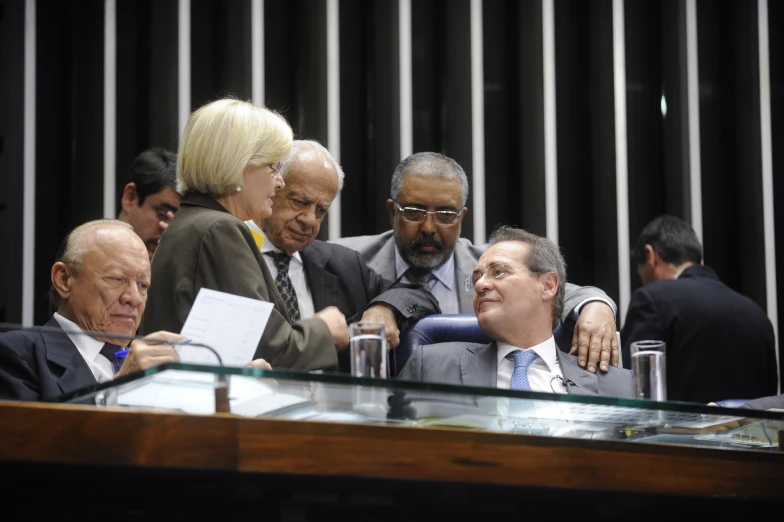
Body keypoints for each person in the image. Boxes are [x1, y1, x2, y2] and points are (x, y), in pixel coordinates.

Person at [334, 151, 620, 374]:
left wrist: (597, 306)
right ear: (391, 211)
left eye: (446, 214)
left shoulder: (489, 268)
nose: (429, 228)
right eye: (414, 211)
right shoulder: (350, 261)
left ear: (462, 217)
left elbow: (562, 291)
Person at [140, 98, 348, 371]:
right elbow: (267, 349)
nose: (280, 181)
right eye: (274, 167)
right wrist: (324, 329)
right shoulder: (219, 229)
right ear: (239, 167)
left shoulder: (192, 221)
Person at [245, 140, 440, 361]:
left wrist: (385, 307)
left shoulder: (342, 263)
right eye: (299, 202)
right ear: (272, 189)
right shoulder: (230, 252)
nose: (309, 220)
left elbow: (421, 295)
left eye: (321, 210)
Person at [397, 226, 634, 398]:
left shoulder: (617, 385)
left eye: (498, 272)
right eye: (477, 277)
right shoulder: (430, 366)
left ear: (548, 286)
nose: (480, 285)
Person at [0, 220, 185, 401]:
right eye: (116, 279)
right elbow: (31, 431)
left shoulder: (154, 363)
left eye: (143, 285)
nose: (134, 298)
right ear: (64, 280)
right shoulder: (16, 355)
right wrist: (119, 391)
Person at [621, 215, 777, 403]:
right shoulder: (757, 314)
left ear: (651, 256)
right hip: (752, 432)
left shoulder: (652, 299)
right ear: (699, 260)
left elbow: (626, 387)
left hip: (674, 432)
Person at [118, 147, 181, 258]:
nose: (168, 229)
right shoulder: (87, 260)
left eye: (178, 222)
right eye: (162, 215)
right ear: (130, 197)